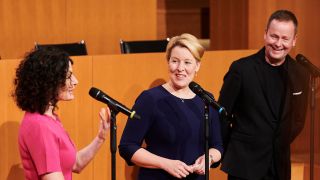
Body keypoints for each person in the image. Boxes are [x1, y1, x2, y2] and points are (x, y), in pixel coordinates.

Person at [218, 10, 310, 180]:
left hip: (279, 165)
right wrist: (235, 146)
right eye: (274, 36)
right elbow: (221, 114)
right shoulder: (241, 69)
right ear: (265, 34)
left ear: (294, 40)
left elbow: (298, 120)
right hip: (244, 164)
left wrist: (277, 142)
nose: (278, 43)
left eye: (285, 38)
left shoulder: (300, 73)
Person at [119, 33, 223, 179]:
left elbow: (218, 145)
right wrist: (165, 164)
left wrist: (209, 159)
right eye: (175, 61)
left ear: (197, 66)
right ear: (168, 62)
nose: (180, 68)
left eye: (187, 62)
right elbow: (127, 147)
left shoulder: (206, 100)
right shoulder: (149, 99)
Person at [13, 47, 111, 180]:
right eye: (69, 76)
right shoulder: (40, 125)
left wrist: (101, 137)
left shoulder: (49, 118)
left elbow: (76, 163)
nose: (75, 81)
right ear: (49, 80)